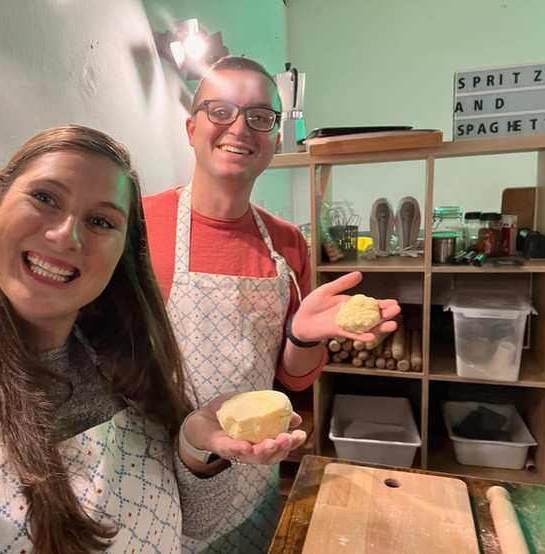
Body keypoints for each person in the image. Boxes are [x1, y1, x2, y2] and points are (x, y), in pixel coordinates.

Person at [0, 125, 307, 554]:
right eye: (45, 197)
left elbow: (197, 521)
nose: (64, 236)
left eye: (100, 220)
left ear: (123, 250)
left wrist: (193, 445)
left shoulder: (122, 355)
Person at [143, 57, 401, 552]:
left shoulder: (286, 242)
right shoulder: (139, 226)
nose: (240, 127)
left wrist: (302, 336)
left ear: (276, 139)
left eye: (260, 116)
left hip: (253, 472)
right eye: (221, 111)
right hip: (157, 475)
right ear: (192, 129)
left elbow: (293, 378)